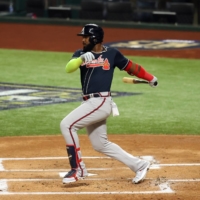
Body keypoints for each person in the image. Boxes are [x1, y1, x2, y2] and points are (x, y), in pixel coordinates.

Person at [60, 23, 158, 184]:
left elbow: (131, 67)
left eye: (85, 37)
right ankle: (139, 165)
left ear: (95, 38)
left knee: (67, 125)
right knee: (100, 144)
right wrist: (81, 59)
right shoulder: (80, 53)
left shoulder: (112, 54)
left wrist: (150, 78)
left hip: (100, 101)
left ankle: (78, 168)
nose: (83, 40)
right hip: (91, 102)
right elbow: (69, 68)